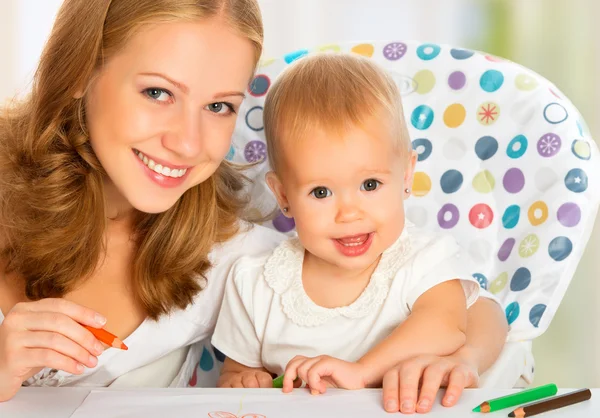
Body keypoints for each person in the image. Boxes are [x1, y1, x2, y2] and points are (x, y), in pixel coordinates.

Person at [0, 0, 507, 412]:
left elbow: (472, 305)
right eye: (158, 92)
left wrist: (462, 358)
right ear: (80, 73)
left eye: (219, 106)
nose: (187, 142)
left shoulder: (229, 248)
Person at [211, 53, 505, 415]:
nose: (349, 213)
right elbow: (236, 373)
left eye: (370, 184)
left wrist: (361, 372)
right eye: (321, 192)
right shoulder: (255, 284)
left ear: (406, 175)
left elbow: (445, 327)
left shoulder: (423, 260)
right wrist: (244, 378)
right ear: (284, 195)